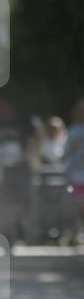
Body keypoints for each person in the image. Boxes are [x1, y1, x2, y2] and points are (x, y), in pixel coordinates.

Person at [64, 98, 84, 239]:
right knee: (78, 204)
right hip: (76, 174)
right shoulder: (72, 131)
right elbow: (66, 153)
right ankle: (77, 230)